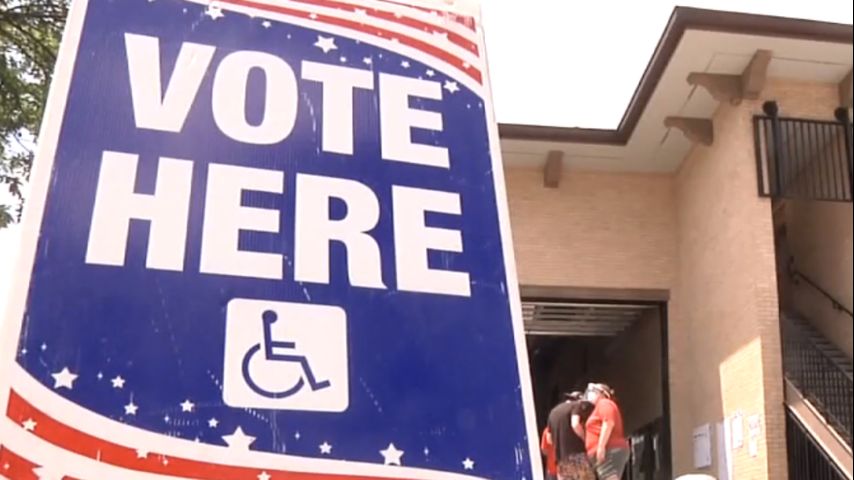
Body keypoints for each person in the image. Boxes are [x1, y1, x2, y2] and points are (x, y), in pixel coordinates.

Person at [584, 383, 630, 480]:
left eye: (594, 391)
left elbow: (608, 422)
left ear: (603, 393)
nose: (591, 394)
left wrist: (601, 447)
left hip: (609, 449)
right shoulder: (599, 407)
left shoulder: (604, 403)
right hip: (606, 451)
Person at [547, 391, 596, 480]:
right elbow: (575, 424)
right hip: (577, 456)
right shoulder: (576, 405)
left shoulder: (553, 412)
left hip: (561, 460)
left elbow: (549, 439)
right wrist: (585, 439)